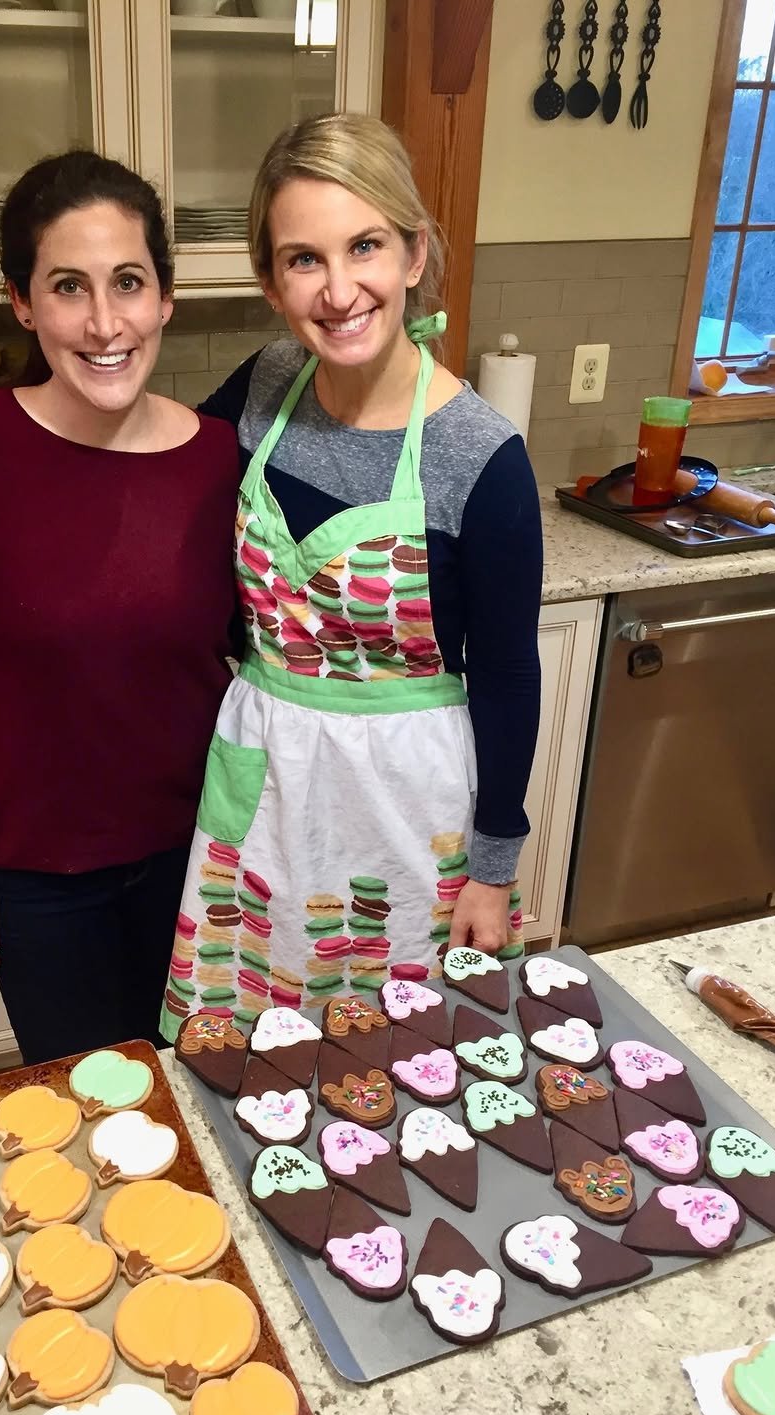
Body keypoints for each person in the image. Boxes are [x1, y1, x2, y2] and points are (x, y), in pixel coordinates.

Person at [157, 113, 542, 1040]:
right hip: (268, 788)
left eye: (365, 246)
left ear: (413, 254)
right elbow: (156, 472)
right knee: (245, 1058)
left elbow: (506, 673)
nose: (339, 291)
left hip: (407, 812)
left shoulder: (477, 457)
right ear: (269, 280)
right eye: (304, 259)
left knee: (405, 1058)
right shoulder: (265, 386)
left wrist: (492, 869)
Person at [0, 150, 240, 1064]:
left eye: (129, 282)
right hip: (37, 880)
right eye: (69, 287)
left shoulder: (222, 459)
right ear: (23, 304)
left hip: (204, 862)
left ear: (166, 297)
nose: (105, 321)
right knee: (91, 1112)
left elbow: (266, 652)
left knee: (209, 1095)